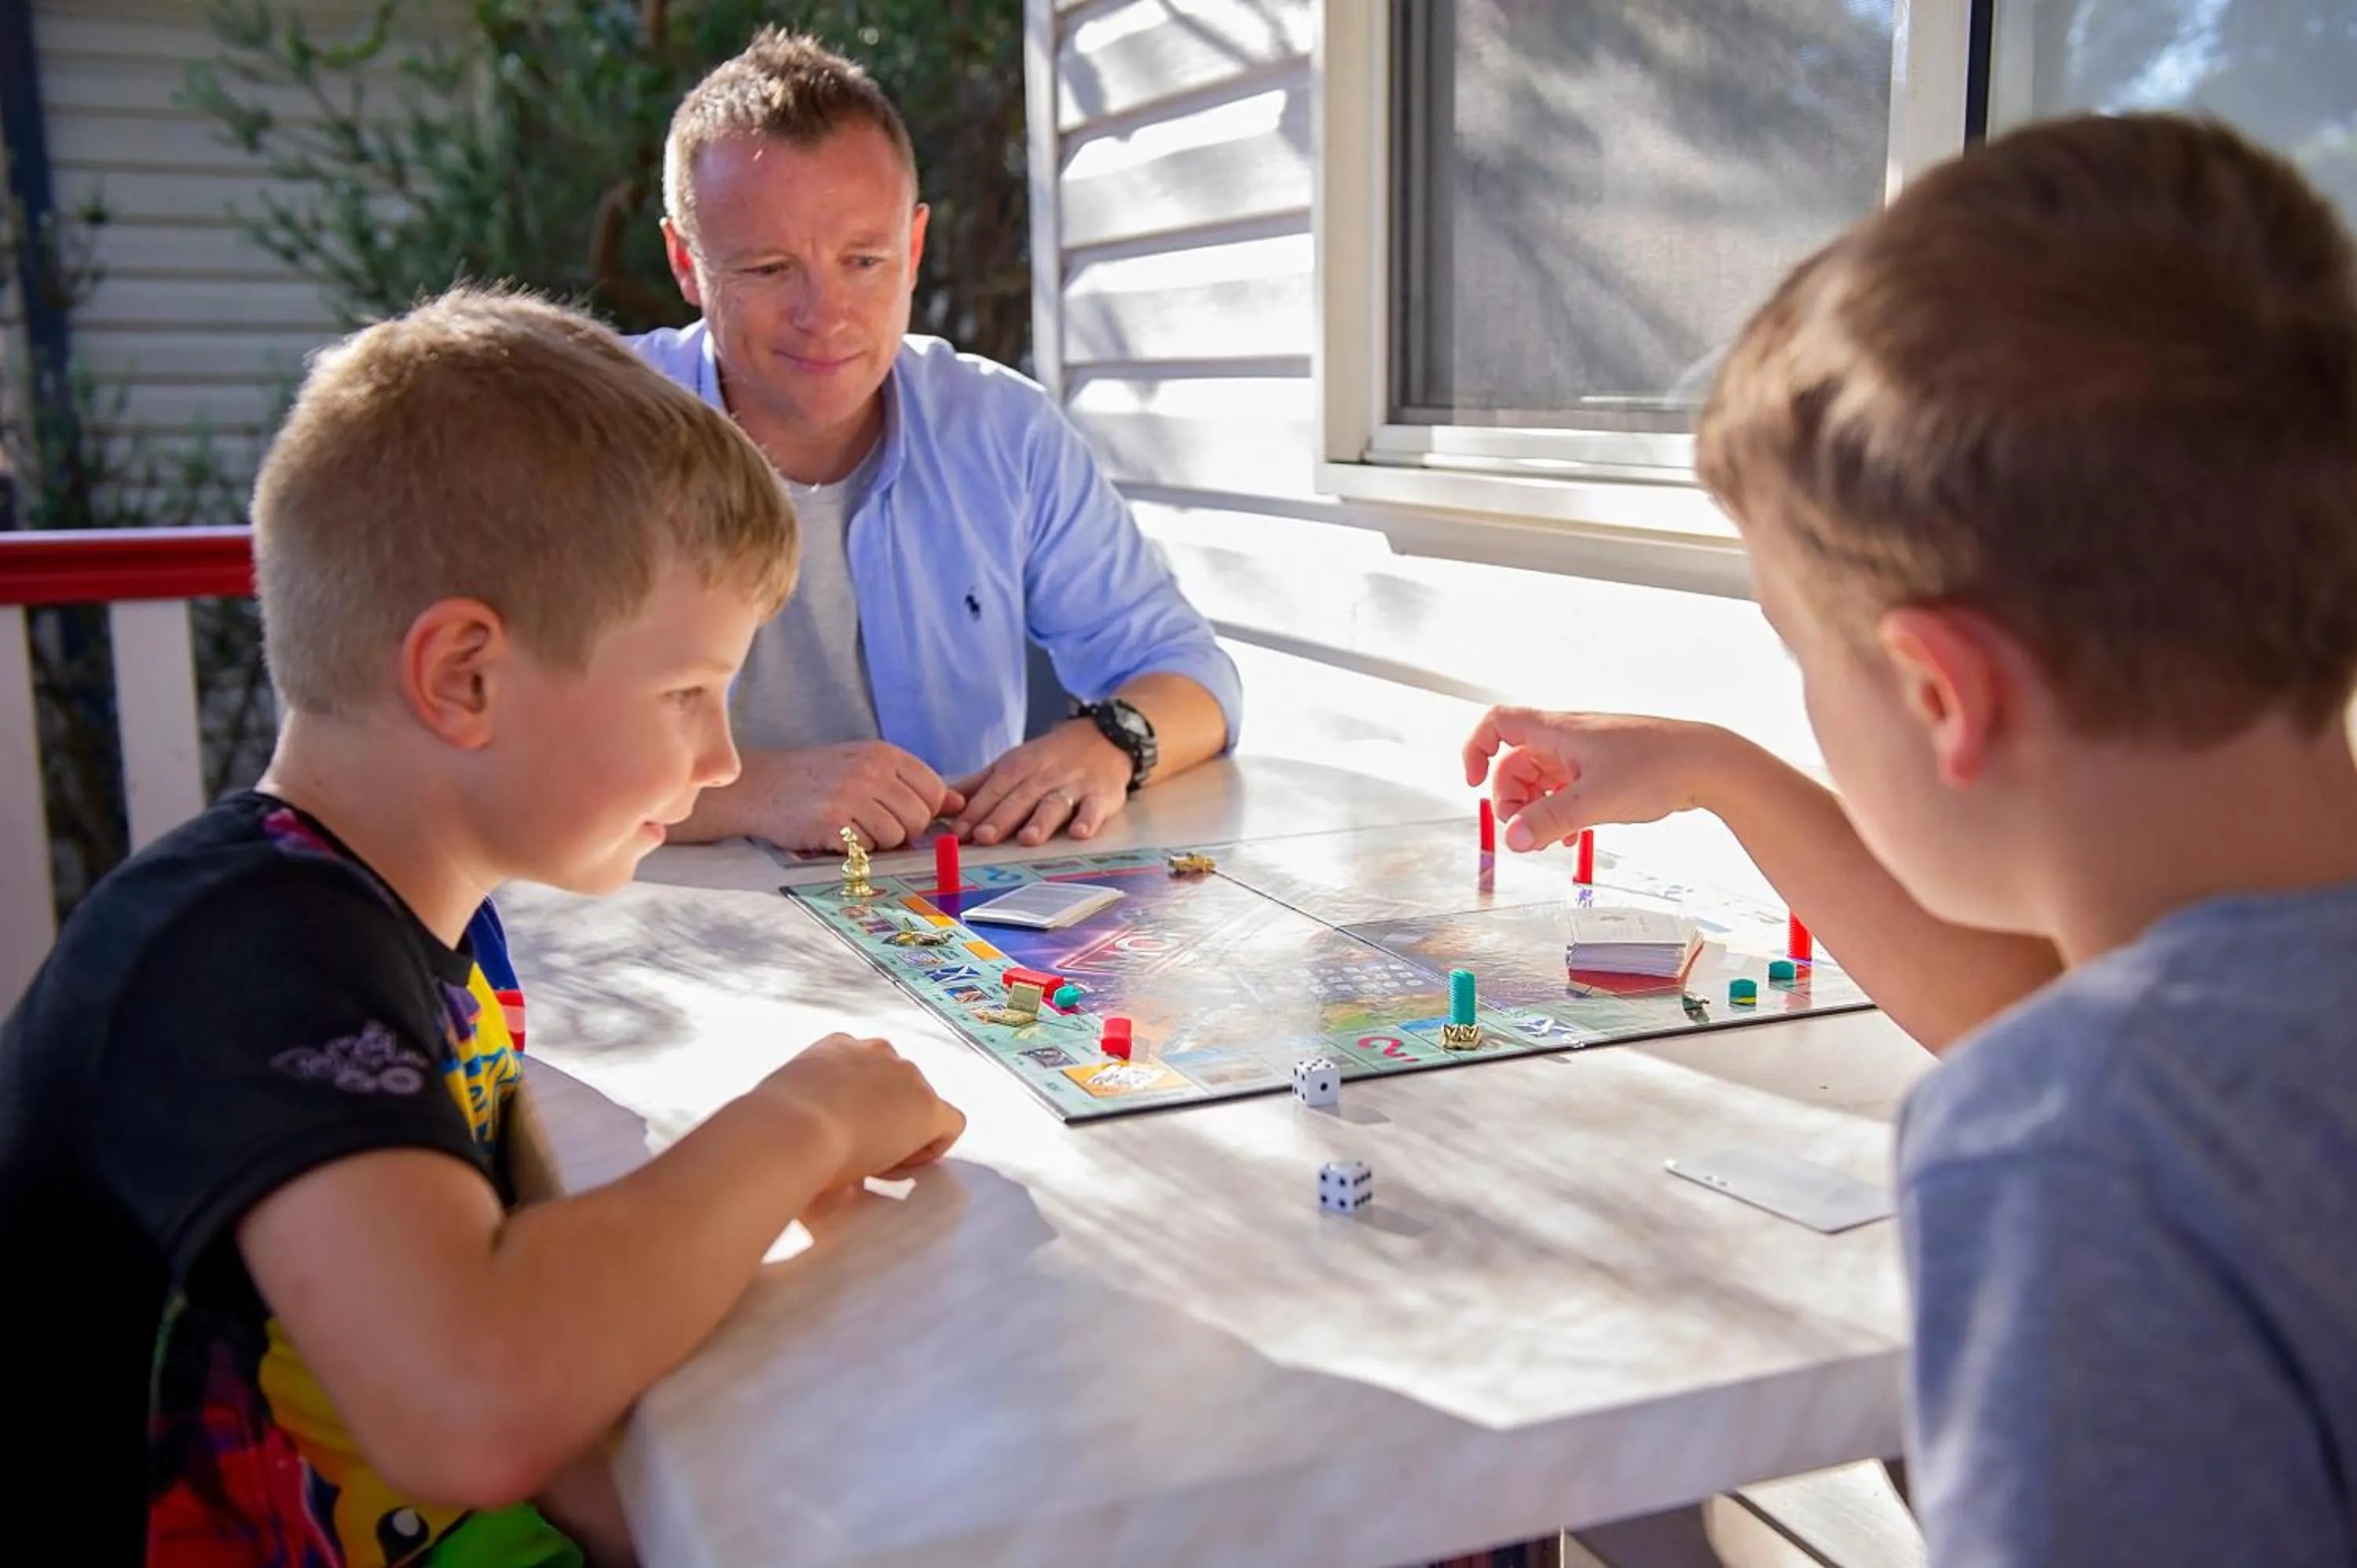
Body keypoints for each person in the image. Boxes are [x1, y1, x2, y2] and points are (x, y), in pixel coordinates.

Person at [1468, 115, 2357, 1563]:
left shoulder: (2067, 1148)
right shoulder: (2212, 1042)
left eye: (1803, 659)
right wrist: (1722, 771)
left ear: (1942, 691)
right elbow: (2100, 1011)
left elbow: (2085, 1064)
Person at [0, 288, 966, 1564]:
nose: (725, 755)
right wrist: (809, 1118)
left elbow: (567, 1421)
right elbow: (483, 1399)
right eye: (686, 692)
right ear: (465, 678)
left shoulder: (422, 946)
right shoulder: (233, 951)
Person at [628, 28, 1243, 855]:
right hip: (660, 942)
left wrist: (1107, 743)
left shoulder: (1005, 430)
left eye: (865, 260)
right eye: (770, 269)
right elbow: (499, 748)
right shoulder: (597, 442)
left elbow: (1194, 673)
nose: (826, 314)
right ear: (685, 262)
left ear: (914, 248)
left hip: (954, 941)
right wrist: (757, 789)